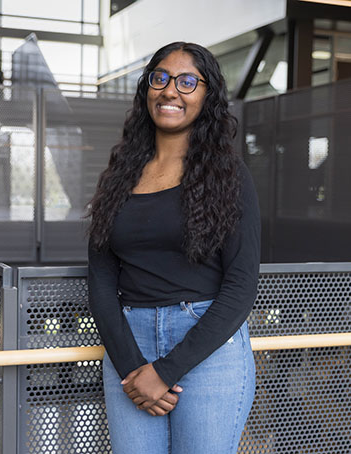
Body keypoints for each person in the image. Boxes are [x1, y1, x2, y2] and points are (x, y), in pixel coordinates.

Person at [87, 41, 261, 454]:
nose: (170, 91)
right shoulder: (118, 176)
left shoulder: (229, 176)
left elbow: (241, 286)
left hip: (207, 348)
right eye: (160, 78)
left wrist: (166, 371)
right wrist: (133, 367)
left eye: (187, 82)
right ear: (147, 87)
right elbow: (100, 279)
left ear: (207, 95)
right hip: (129, 344)